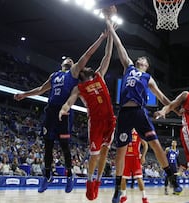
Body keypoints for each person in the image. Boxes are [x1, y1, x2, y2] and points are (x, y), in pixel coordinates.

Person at [14, 31, 108, 193]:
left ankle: (70, 175)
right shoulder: (54, 75)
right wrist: (24, 94)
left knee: (65, 145)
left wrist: (101, 38)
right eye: (67, 59)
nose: (70, 59)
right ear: (62, 63)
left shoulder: (74, 72)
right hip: (50, 111)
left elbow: (88, 54)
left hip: (64, 113)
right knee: (48, 146)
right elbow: (41, 89)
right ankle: (47, 176)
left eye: (72, 60)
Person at [104, 12, 183, 203]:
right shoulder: (128, 68)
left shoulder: (148, 78)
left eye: (145, 61)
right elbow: (121, 48)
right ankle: (117, 189)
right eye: (140, 59)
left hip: (140, 112)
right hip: (124, 112)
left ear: (147, 66)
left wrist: (173, 109)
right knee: (120, 151)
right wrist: (112, 30)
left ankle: (172, 178)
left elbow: (163, 97)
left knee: (155, 144)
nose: (141, 60)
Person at [58, 31, 115, 200]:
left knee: (105, 153)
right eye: (83, 68)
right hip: (96, 122)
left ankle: (98, 179)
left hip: (110, 120)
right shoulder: (79, 88)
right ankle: (90, 181)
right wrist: (63, 109)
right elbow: (69, 101)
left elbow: (108, 54)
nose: (86, 67)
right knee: (94, 155)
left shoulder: (99, 75)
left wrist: (110, 35)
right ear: (81, 74)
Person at [120, 129, 149, 203]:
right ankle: (123, 196)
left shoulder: (138, 133)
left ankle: (144, 197)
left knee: (139, 179)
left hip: (135, 158)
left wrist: (143, 156)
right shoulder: (124, 132)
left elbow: (145, 145)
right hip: (126, 158)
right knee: (123, 178)